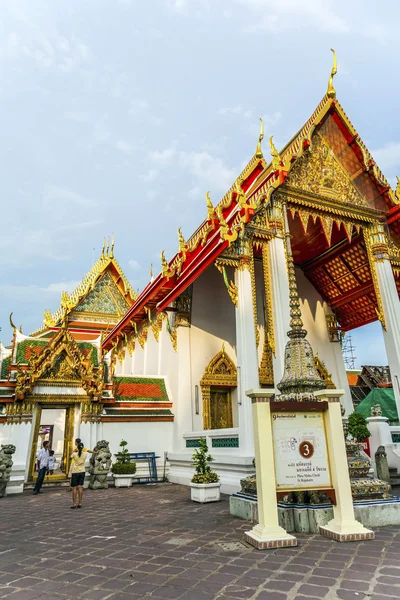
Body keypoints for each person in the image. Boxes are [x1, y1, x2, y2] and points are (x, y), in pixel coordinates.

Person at [70, 441, 95, 509]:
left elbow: (70, 456)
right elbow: (86, 451)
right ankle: (80, 503)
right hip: (82, 471)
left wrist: (74, 451)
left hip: (75, 471)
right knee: (80, 487)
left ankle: (74, 503)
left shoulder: (75, 454)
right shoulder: (85, 454)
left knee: (74, 487)